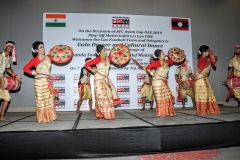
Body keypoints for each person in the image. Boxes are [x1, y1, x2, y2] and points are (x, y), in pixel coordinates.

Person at [23, 41, 58, 123]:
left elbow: (59, 57)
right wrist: (34, 73)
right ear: (36, 50)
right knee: (40, 99)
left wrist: (69, 52)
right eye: (41, 47)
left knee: (49, 98)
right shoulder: (34, 60)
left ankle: (50, 117)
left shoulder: (49, 57)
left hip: (48, 81)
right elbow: (25, 68)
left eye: (43, 47)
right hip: (39, 82)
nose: (43, 49)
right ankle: (42, 118)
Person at [84, 45, 121, 120]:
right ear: (100, 53)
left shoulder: (108, 59)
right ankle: (100, 115)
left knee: (108, 97)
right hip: (99, 80)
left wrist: (123, 50)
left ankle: (109, 114)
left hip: (106, 79)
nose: (105, 52)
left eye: (105, 50)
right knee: (101, 98)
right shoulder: (97, 59)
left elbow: (117, 56)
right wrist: (93, 71)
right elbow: (87, 65)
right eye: (103, 51)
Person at [146, 49, 176, 117]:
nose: (164, 55)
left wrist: (177, 54)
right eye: (162, 54)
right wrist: (152, 74)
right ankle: (161, 112)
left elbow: (174, 59)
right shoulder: (156, 63)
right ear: (159, 56)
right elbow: (148, 68)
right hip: (156, 82)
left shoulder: (167, 62)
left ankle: (167, 111)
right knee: (159, 98)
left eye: (163, 53)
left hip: (163, 81)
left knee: (167, 96)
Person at [194, 45, 220, 115]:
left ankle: (204, 110)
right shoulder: (203, 59)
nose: (209, 53)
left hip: (202, 80)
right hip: (202, 81)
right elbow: (200, 68)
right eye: (208, 51)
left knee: (203, 96)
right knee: (204, 96)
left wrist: (197, 73)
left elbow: (200, 68)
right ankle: (204, 110)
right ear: (204, 52)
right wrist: (197, 72)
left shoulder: (203, 59)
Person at [0, 41, 21, 121]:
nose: (10, 48)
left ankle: (1, 117)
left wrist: (15, 75)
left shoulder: (8, 59)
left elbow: (8, 69)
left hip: (2, 79)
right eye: (8, 46)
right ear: (5, 47)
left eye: (12, 47)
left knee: (7, 98)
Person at [227, 44, 240, 112]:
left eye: (238, 48)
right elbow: (230, 70)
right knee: (237, 93)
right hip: (236, 79)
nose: (236, 49)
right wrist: (228, 79)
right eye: (235, 48)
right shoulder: (232, 59)